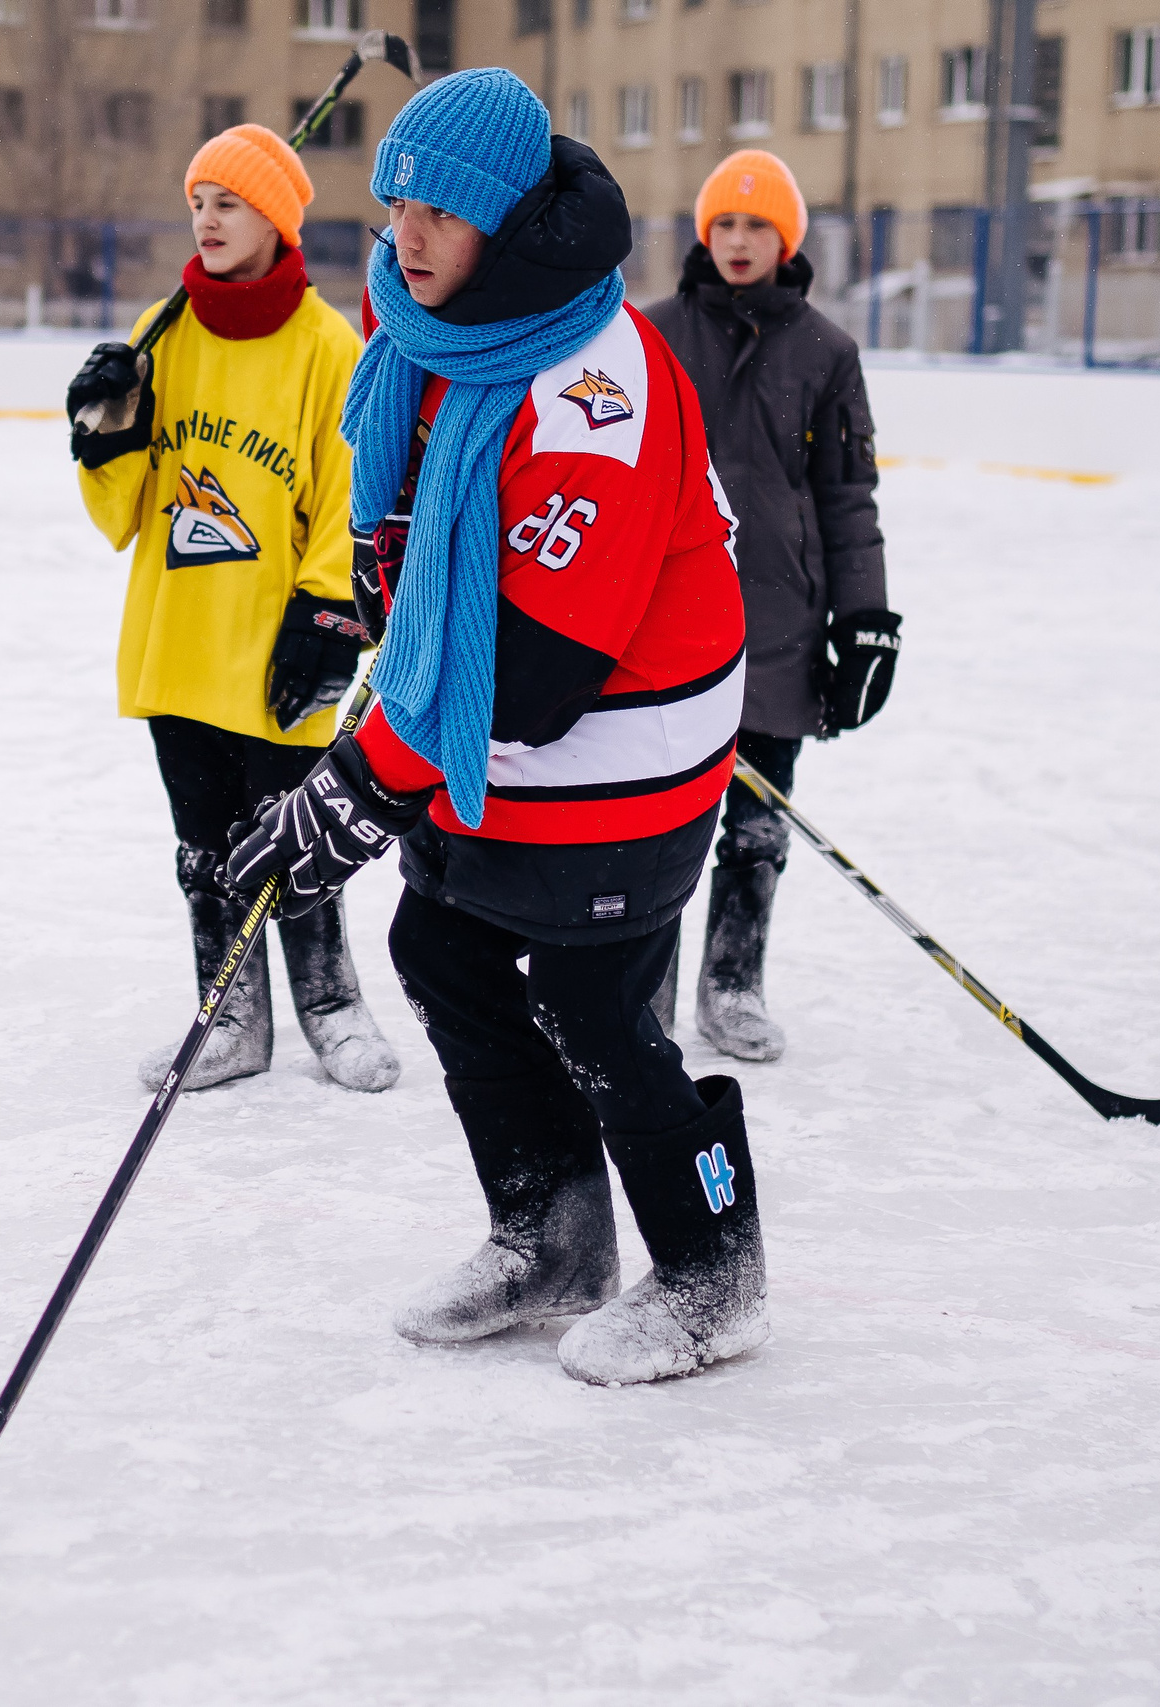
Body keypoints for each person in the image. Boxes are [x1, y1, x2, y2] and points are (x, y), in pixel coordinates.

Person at [224, 70, 763, 1386]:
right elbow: (416, 561)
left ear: (513, 223)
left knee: (598, 1004)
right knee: (442, 945)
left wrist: (354, 793)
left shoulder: (600, 384)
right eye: (395, 204)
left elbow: (527, 676)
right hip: (505, 754)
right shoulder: (433, 333)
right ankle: (552, 1230)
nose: (405, 238)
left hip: (623, 753)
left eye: (441, 215)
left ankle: (713, 1265)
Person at [66, 124, 399, 1094]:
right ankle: (229, 1018)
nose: (207, 220)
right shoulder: (158, 336)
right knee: (205, 849)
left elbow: (348, 495)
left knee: (296, 841)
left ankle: (332, 1006)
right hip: (179, 650)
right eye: (198, 203)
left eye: (229, 203)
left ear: (276, 219)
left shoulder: (327, 347)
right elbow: (116, 517)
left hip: (280, 654)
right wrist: (100, 426)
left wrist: (328, 614)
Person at [642, 150, 898, 1062]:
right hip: (667, 625)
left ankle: (734, 982)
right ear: (702, 235)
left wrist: (864, 620)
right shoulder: (651, 333)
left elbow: (846, 498)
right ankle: (649, 988)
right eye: (723, 225)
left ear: (786, 237)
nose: (739, 241)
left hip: (781, 625)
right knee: (660, 824)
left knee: (757, 827)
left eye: (757, 226)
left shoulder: (830, 352)